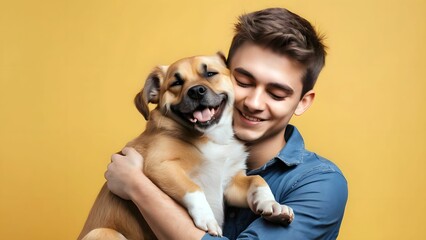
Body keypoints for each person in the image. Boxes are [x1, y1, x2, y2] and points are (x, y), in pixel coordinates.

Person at [105, 7, 348, 240]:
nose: (254, 103)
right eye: (243, 81)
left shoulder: (320, 183)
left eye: (276, 94)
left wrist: (137, 187)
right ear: (226, 73)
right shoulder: (177, 146)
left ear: (302, 102)